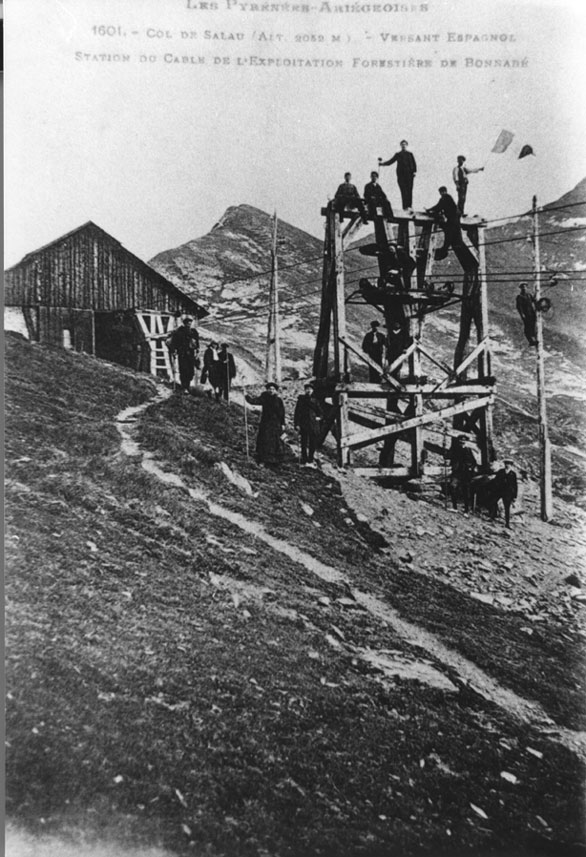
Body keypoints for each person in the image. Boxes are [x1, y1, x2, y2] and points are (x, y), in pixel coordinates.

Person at [245, 382, 286, 466]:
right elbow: (254, 401)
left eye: (273, 389)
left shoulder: (279, 400)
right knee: (265, 440)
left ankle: (274, 460)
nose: (271, 391)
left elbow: (282, 413)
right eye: (269, 389)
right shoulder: (264, 398)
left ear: (276, 391)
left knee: (275, 441)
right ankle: (263, 459)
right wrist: (246, 396)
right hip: (266, 423)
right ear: (267, 390)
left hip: (276, 423)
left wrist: (283, 423)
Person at [425, 187, 463, 261]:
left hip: (452, 220)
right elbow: (441, 207)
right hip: (455, 220)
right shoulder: (448, 198)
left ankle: (444, 251)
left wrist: (429, 210)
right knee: (453, 235)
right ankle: (446, 249)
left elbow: (438, 206)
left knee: (449, 235)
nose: (441, 194)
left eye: (441, 192)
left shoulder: (445, 198)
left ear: (443, 192)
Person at [379, 140, 417, 210]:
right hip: (401, 175)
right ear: (400, 146)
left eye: (405, 144)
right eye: (402, 144)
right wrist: (382, 164)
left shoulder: (410, 154)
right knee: (403, 190)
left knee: (409, 190)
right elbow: (391, 161)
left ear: (407, 145)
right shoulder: (398, 154)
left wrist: (414, 171)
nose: (403, 146)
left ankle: (409, 206)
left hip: (409, 175)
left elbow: (414, 163)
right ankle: (405, 207)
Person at [294, 382, 323, 466]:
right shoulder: (301, 400)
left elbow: (320, 412)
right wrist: (297, 424)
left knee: (312, 442)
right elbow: (297, 413)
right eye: (307, 389)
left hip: (313, 424)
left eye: (310, 389)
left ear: (312, 390)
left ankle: (310, 458)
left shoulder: (315, 401)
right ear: (305, 390)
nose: (308, 391)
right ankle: (304, 458)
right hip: (304, 423)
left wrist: (319, 417)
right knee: (303, 442)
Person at [167, 316, 199, 392]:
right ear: (185, 323)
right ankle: (184, 386)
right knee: (184, 369)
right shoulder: (179, 332)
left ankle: (187, 385)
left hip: (191, 354)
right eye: (187, 323)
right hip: (182, 353)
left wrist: (197, 350)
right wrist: (174, 350)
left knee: (191, 371)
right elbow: (174, 342)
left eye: (190, 323)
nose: (189, 324)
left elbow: (197, 342)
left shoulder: (193, 332)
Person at [449, 435, 477, 512]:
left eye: (463, 441)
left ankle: (466, 510)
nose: (462, 442)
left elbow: (474, 462)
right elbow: (448, 456)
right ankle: (454, 507)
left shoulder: (468, 450)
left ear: (466, 442)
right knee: (452, 486)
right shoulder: (455, 449)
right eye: (460, 441)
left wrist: (471, 468)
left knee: (465, 490)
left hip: (466, 473)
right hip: (457, 472)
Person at [490, 459, 518, 528]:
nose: (507, 465)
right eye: (506, 463)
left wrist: (514, 496)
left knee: (507, 508)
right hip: (499, 491)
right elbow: (496, 481)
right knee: (493, 502)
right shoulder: (501, 471)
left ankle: (507, 523)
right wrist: (495, 488)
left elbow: (515, 486)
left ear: (511, 465)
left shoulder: (513, 474)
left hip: (507, 493)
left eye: (509, 464)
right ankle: (492, 517)